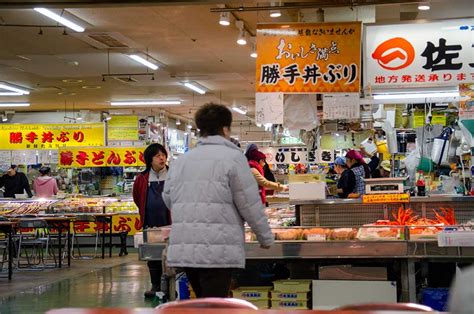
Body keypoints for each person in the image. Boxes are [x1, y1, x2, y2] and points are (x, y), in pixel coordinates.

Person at [163, 103, 274, 298]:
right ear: (225, 128)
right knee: (215, 305)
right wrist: (264, 236)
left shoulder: (182, 161)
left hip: (187, 249)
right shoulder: (233, 158)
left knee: (203, 303)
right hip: (218, 250)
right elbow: (249, 203)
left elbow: (168, 198)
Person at [132, 143, 170, 298]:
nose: (162, 158)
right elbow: (137, 197)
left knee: (171, 255)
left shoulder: (174, 174)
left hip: (171, 222)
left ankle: (169, 286)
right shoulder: (142, 178)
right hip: (151, 222)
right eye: (157, 155)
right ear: (150, 160)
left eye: (163, 155)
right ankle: (155, 285)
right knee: (153, 256)